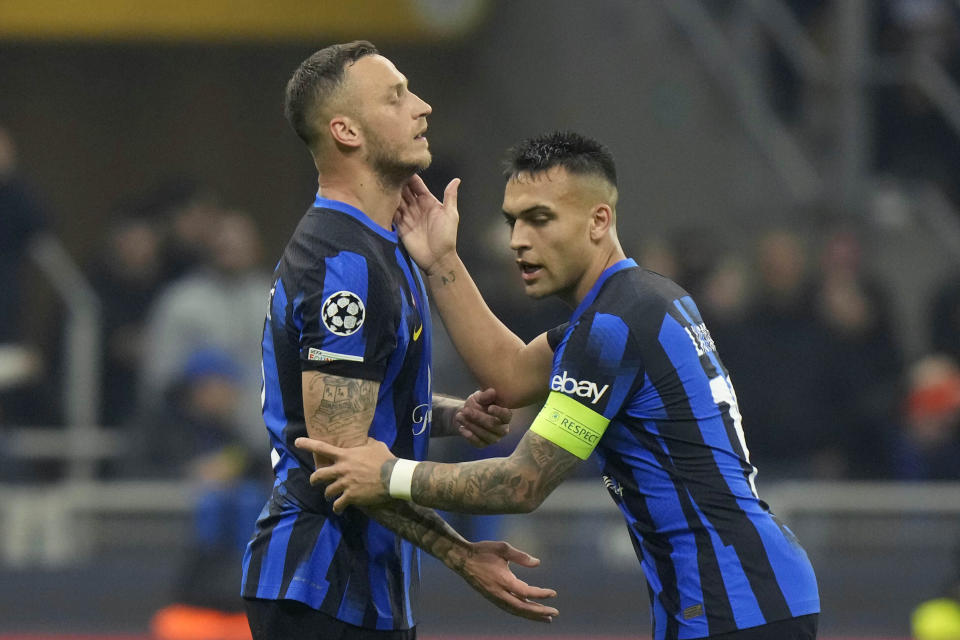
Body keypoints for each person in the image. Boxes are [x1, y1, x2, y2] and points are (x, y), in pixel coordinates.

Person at [299, 131, 822, 640]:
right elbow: (509, 374)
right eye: (512, 221)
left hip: (736, 603)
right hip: (743, 594)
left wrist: (389, 474)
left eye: (540, 219)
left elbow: (520, 483)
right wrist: (440, 261)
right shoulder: (638, 301)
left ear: (599, 220)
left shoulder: (613, 327)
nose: (518, 240)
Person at [240, 41, 558, 640]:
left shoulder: (385, 246)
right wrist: (463, 553)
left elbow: (363, 400)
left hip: (365, 586)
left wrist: (445, 416)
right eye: (397, 96)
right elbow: (343, 460)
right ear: (346, 131)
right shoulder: (342, 265)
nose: (423, 106)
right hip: (318, 587)